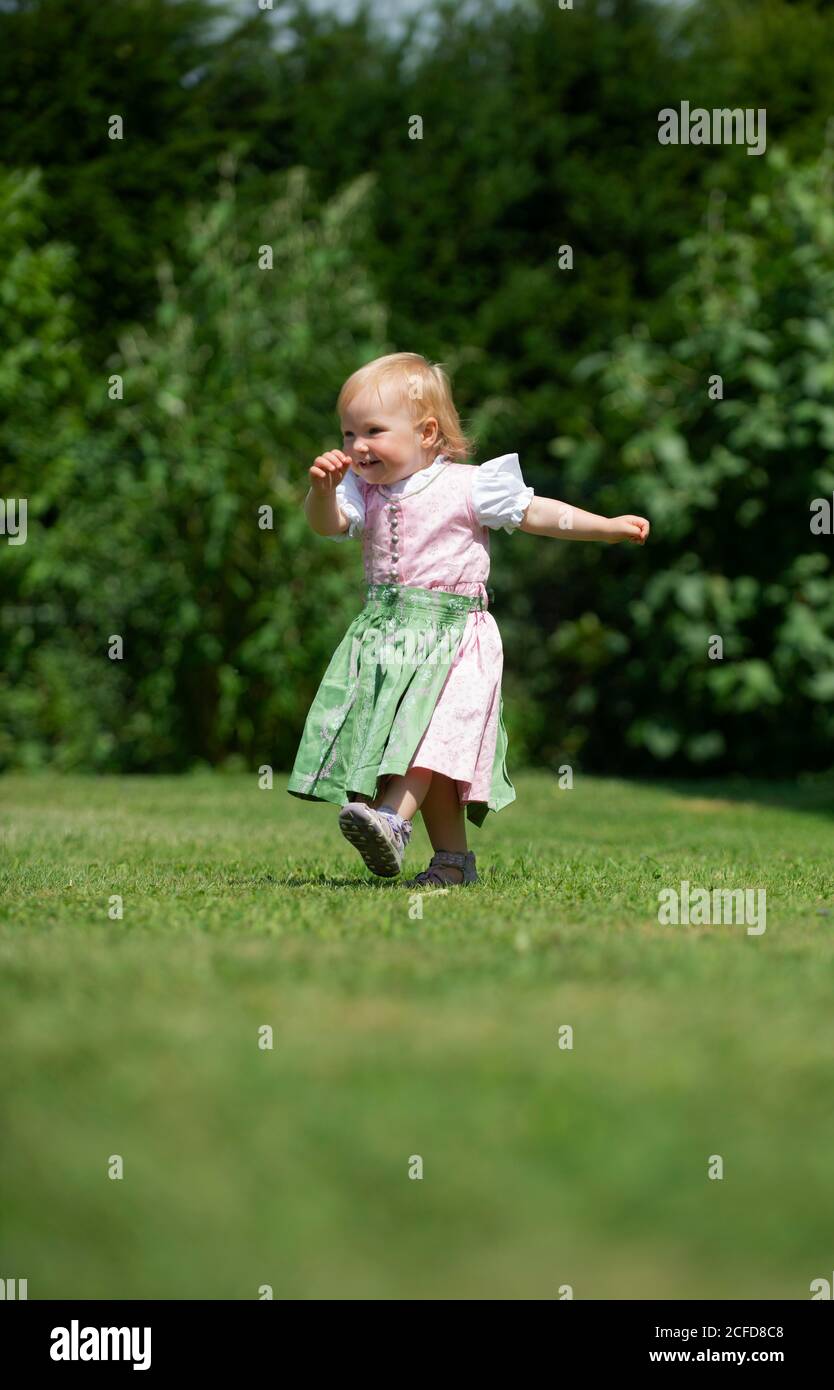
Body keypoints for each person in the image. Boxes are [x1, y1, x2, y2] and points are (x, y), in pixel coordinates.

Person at [288, 352, 649, 888]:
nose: (357, 447)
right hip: (387, 636)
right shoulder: (359, 491)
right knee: (417, 748)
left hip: (456, 637)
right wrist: (321, 492)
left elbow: (537, 513)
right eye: (348, 433)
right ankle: (453, 864)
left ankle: (391, 820)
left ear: (427, 432)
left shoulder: (471, 484)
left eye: (373, 431)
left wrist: (607, 526)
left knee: (430, 734)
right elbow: (329, 525)